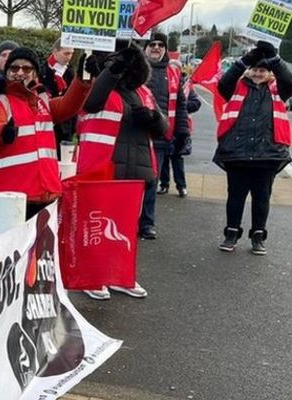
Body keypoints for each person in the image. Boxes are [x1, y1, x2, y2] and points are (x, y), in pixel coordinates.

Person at [75, 46, 168, 299]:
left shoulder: (143, 91)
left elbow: (163, 126)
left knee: (126, 227)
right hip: (103, 165)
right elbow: (92, 103)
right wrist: (112, 70)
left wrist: (152, 118)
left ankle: (120, 275)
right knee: (96, 226)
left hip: (136, 167)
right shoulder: (99, 86)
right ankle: (93, 276)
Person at [0, 47, 91, 220]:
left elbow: (70, 104)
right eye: (14, 68)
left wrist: (83, 79)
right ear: (6, 72)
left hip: (46, 191)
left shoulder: (43, 101)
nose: (20, 73)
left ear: (34, 74)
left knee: (43, 247)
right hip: (11, 197)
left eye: (26, 69)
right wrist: (4, 132)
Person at [214, 41, 292, 255]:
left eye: (263, 70)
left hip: (267, 153)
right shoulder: (236, 86)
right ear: (249, 71)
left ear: (270, 74)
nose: (258, 73)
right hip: (237, 152)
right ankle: (231, 234)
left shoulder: (279, 89)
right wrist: (243, 62)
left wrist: (275, 59)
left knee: (262, 198)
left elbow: (290, 81)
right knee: (235, 197)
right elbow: (224, 83)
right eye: (255, 69)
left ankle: (258, 236)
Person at [143, 32, 189, 203]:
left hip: (162, 138)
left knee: (152, 184)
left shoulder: (173, 73)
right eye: (153, 44)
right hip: (137, 134)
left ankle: (147, 224)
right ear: (146, 47)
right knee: (135, 184)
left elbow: (180, 105)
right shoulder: (136, 69)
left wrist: (182, 131)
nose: (156, 47)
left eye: (160, 45)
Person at [160, 84, 202, 197]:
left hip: (180, 126)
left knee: (177, 157)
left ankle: (181, 186)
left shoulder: (186, 86)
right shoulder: (164, 81)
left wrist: (180, 104)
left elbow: (196, 103)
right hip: (165, 124)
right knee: (163, 156)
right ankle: (164, 184)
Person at [42, 38, 77, 154]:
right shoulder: (42, 71)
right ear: (55, 52)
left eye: (72, 53)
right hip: (46, 124)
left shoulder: (70, 73)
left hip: (66, 127)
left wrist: (73, 128)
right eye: (66, 53)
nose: (69, 57)